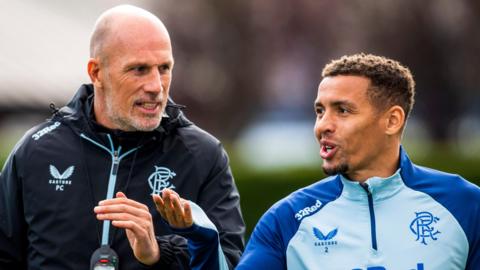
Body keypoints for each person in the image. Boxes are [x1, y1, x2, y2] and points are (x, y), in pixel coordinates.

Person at [0, 5, 244, 269]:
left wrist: (160, 254)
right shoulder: (35, 152)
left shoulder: (202, 156)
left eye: (164, 68)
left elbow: (230, 263)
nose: (155, 86)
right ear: (96, 73)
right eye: (139, 69)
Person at [236, 53, 480, 269]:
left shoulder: (467, 205)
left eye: (342, 110)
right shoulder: (286, 219)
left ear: (392, 120)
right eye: (320, 111)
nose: (323, 126)